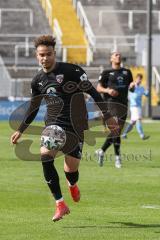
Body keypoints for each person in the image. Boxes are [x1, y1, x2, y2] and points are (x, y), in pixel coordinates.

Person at [10, 35, 111, 222]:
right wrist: (21, 129)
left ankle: (72, 185)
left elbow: (93, 92)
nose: (45, 58)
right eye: (41, 54)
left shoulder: (72, 71)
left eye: (48, 54)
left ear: (54, 53)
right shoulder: (38, 80)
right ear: (36, 55)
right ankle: (60, 203)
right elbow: (33, 107)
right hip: (53, 124)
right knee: (45, 155)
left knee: (71, 170)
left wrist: (107, 115)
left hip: (76, 124)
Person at [95, 51, 135, 168]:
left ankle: (102, 151)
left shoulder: (127, 72)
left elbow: (131, 89)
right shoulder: (106, 72)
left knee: (116, 132)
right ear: (111, 58)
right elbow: (98, 88)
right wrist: (108, 91)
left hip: (123, 103)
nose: (119, 56)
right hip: (111, 103)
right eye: (116, 55)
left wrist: (132, 86)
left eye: (119, 55)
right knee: (116, 129)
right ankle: (118, 159)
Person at [122, 73, 149, 140]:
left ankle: (124, 134)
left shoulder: (141, 88)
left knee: (132, 122)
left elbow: (146, 95)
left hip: (139, 106)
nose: (139, 80)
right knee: (138, 119)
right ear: (136, 79)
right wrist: (132, 86)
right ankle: (142, 135)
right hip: (134, 106)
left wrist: (148, 91)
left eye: (140, 79)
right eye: (139, 79)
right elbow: (130, 90)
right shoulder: (132, 85)